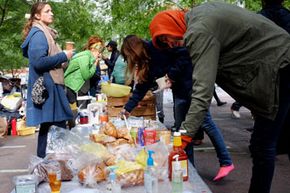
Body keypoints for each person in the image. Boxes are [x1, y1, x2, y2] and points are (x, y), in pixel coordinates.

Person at [149, 2, 290, 193]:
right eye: (165, 44)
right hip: (279, 63)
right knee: (272, 142)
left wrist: (184, 135)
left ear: (171, 24)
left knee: (262, 146)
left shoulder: (198, 31)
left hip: (280, 67)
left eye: (166, 38)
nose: (170, 44)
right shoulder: (200, 16)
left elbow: (202, 90)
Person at [121, 35, 234, 181]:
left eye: (130, 57)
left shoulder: (157, 46)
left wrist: (171, 75)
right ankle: (190, 167)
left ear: (134, 50)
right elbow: (142, 87)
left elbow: (184, 55)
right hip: (180, 92)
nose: (131, 61)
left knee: (206, 123)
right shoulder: (146, 63)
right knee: (182, 132)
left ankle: (226, 161)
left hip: (193, 88)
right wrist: (127, 108)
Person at [21, 2, 74, 158]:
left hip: (51, 85)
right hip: (48, 86)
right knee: (57, 125)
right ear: (37, 15)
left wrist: (64, 58)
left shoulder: (45, 33)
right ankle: (54, 164)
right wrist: (63, 55)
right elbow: (39, 62)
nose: (52, 13)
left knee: (50, 125)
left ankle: (47, 165)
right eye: (47, 11)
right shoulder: (38, 34)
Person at [64, 35, 104, 108]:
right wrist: (95, 63)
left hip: (80, 88)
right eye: (99, 50)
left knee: (84, 111)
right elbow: (86, 75)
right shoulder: (84, 57)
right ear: (93, 49)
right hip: (74, 88)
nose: (99, 53)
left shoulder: (88, 57)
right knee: (79, 114)